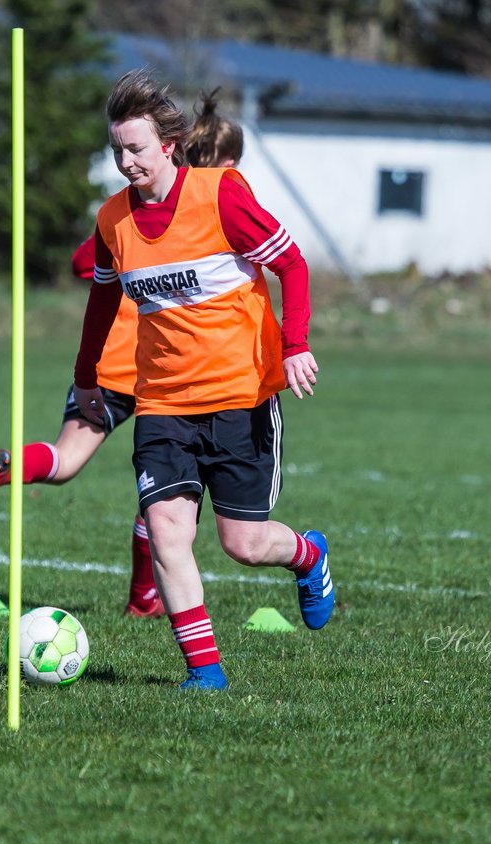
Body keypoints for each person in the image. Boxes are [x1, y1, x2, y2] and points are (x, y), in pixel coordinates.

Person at [72, 70, 334, 691]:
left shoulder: (220, 196)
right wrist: (86, 378)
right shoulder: (115, 221)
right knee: (167, 531)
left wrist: (294, 345)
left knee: (242, 543)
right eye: (116, 150)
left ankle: (309, 554)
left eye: (135, 148)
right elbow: (102, 305)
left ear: (168, 144)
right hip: (162, 402)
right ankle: (205, 673)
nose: (124, 161)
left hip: (240, 398)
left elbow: (291, 264)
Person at [0, 90, 247, 620]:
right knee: (167, 498)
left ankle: (9, 467)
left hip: (110, 361)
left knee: (66, 463)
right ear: (222, 164)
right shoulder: (211, 202)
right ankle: (142, 598)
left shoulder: (133, 209)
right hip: (169, 368)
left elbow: (85, 261)